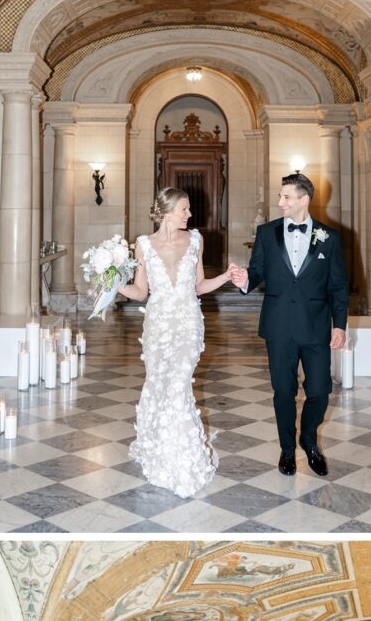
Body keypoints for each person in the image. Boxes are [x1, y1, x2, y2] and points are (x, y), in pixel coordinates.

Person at [119, 187, 240, 499]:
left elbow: (198, 286)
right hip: (158, 326)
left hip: (188, 322)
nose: (189, 214)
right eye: (184, 209)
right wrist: (113, 284)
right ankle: (154, 444)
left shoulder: (196, 240)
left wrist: (226, 276)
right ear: (167, 211)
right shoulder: (143, 245)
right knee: (158, 383)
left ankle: (184, 462)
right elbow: (140, 291)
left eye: (188, 209)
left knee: (177, 385)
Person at [229, 170, 349, 480]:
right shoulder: (266, 233)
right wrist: (245, 281)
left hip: (317, 327)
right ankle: (286, 448)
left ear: (303, 199)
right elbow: (256, 272)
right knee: (283, 391)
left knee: (320, 390)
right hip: (279, 326)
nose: (280, 202)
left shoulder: (330, 237)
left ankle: (308, 439)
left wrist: (340, 325)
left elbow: (338, 286)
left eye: (286, 197)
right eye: (281, 196)